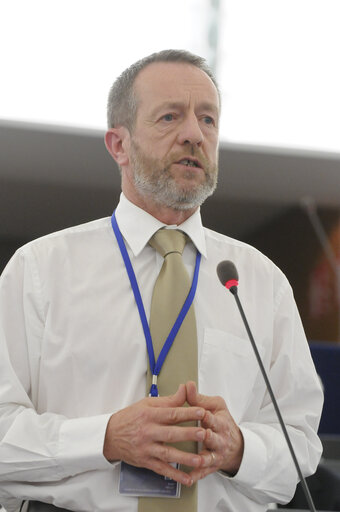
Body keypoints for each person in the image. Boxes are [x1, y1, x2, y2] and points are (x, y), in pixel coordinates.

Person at [0, 49, 323, 512]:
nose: (194, 134)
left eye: (208, 119)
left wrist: (240, 450)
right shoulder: (39, 270)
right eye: (170, 117)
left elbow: (302, 446)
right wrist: (107, 438)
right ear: (119, 145)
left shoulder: (260, 282)